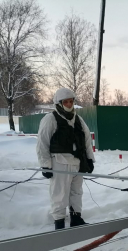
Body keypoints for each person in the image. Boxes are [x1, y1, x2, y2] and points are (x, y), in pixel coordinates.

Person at [36, 87, 95, 230]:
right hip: (59, 163)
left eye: (71, 101)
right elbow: (42, 143)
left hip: (77, 163)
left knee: (76, 192)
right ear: (59, 103)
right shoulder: (50, 119)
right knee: (59, 194)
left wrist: (89, 159)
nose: (69, 104)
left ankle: (76, 218)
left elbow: (86, 140)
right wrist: (45, 165)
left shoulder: (78, 120)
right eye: (66, 102)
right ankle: (59, 223)